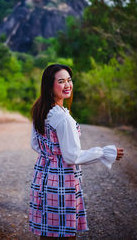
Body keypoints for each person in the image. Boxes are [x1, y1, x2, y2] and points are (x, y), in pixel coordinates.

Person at [29, 64, 124, 239]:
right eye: (61, 81)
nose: (67, 85)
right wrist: (104, 152)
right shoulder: (63, 118)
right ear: (49, 85)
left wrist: (51, 155)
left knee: (48, 231)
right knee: (66, 233)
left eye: (69, 80)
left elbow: (35, 144)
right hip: (61, 181)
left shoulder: (40, 110)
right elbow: (72, 156)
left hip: (43, 177)